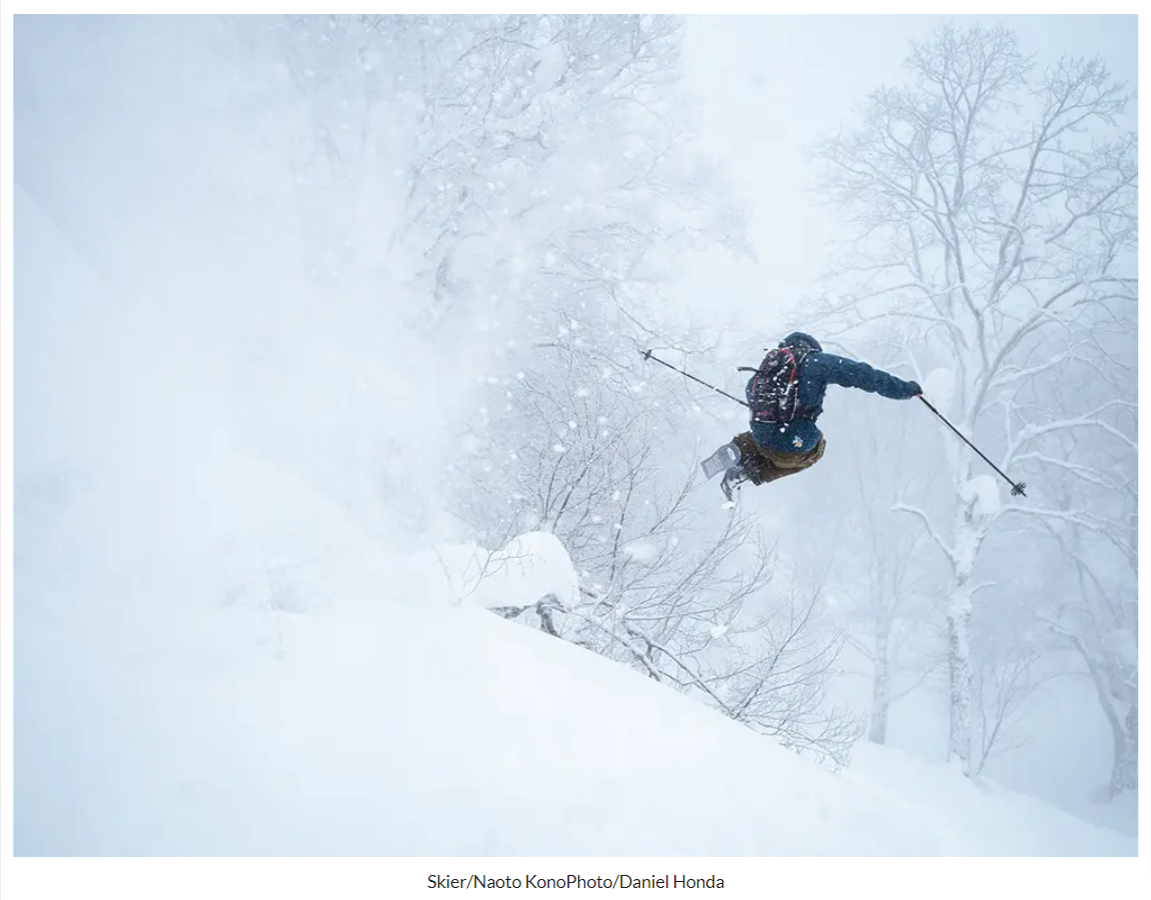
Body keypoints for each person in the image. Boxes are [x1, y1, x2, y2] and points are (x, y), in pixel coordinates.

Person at [719, 332, 922, 500]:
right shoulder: (815, 362)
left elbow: (753, 397)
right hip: (788, 447)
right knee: (816, 445)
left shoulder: (764, 373)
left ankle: (740, 448)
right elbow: (863, 375)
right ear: (812, 347)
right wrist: (905, 390)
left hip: (762, 438)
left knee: (768, 435)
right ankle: (748, 472)